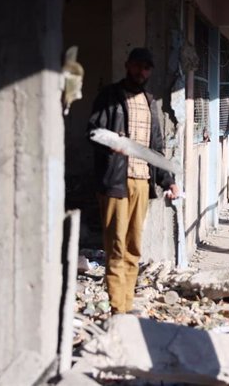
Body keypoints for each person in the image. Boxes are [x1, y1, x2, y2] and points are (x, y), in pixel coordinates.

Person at [88, 47, 179, 315]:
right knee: (115, 245)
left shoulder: (150, 101)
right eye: (138, 66)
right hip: (115, 181)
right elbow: (92, 132)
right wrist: (111, 143)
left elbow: (157, 148)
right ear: (127, 65)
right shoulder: (111, 97)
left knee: (133, 246)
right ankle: (118, 308)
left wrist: (169, 180)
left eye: (146, 68)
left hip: (142, 182)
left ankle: (126, 305)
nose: (142, 72)